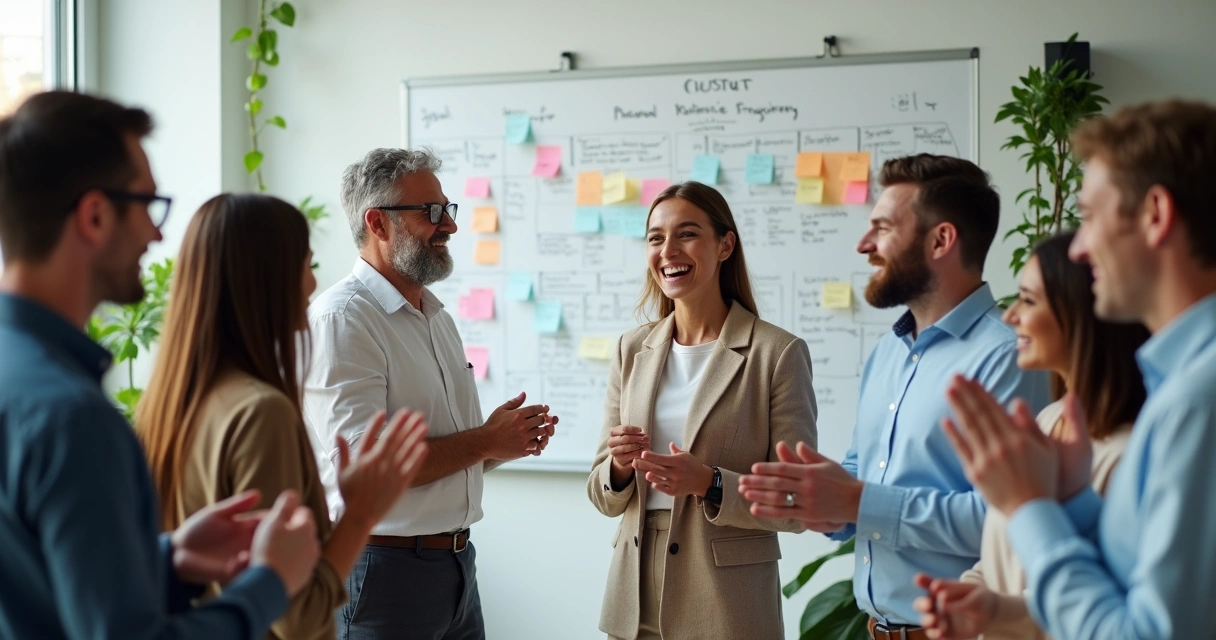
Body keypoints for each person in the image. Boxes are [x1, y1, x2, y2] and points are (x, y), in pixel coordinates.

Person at [0, 90, 320, 639]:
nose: (158, 233)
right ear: (96, 215)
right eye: (148, 204)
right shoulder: (71, 417)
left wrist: (167, 557)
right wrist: (269, 582)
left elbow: (36, 584)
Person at [738, 154, 1051, 638]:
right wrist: (822, 502)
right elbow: (867, 473)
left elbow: (1010, 520)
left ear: (941, 240)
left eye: (882, 228)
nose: (865, 245)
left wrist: (860, 501)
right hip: (876, 629)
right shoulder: (888, 351)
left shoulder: (1008, 356)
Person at [938, 100, 1216, 639]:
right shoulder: (1179, 388)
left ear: (1155, 215)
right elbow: (1135, 585)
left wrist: (1032, 507)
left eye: (1089, 218)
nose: (1081, 251)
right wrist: (1074, 504)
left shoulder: (1195, 403)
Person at [135, 193, 431, 640]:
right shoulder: (261, 412)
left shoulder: (165, 403)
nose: (313, 286)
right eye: (306, 266)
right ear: (266, 280)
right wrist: (360, 515)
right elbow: (298, 616)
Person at [305, 148, 559, 639]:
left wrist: (502, 442)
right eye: (431, 212)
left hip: (458, 567)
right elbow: (368, 467)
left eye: (449, 210)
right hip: (382, 571)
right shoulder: (343, 320)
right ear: (377, 223)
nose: (450, 227)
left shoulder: (435, 317)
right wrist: (484, 441)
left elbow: (445, 454)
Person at [588, 182, 818, 640]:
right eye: (655, 238)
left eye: (687, 234)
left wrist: (710, 483)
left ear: (725, 244)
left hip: (726, 602)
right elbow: (602, 493)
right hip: (632, 598)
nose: (668, 250)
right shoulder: (631, 349)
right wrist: (617, 466)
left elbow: (799, 503)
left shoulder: (777, 353)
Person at [909, 231, 1148, 640]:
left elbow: (1100, 608)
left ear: (1084, 315)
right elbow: (998, 553)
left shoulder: (1127, 457)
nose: (1009, 315)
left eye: (1029, 300)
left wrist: (1000, 613)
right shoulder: (1047, 421)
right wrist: (969, 594)